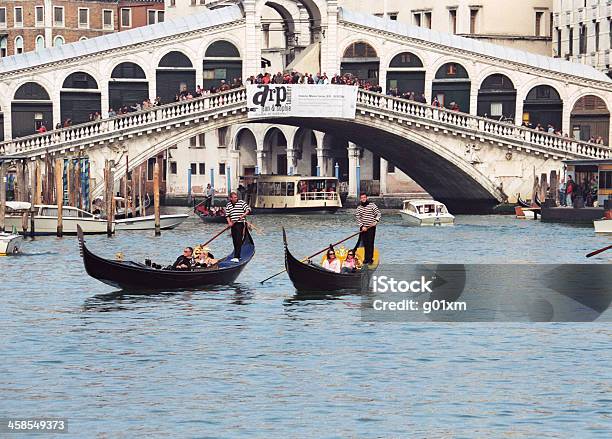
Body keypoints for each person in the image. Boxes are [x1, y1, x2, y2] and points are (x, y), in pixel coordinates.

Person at [355, 192, 381, 265]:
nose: (363, 199)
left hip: (371, 227)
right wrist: (362, 226)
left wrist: (376, 221)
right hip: (363, 228)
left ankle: (370, 259)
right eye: (362, 198)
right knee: (365, 243)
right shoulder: (359, 208)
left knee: (370, 243)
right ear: (360, 199)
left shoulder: (372, 205)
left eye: (364, 197)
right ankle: (366, 259)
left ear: (366, 198)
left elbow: (378, 214)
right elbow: (358, 218)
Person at [226, 191, 251, 262]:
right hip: (233, 224)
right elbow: (227, 215)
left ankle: (237, 256)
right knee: (234, 240)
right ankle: (237, 256)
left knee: (238, 239)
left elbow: (248, 210)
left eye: (236, 197)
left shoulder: (241, 203)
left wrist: (243, 215)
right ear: (230, 198)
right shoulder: (228, 205)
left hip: (240, 223)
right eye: (234, 197)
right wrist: (229, 222)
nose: (235, 198)